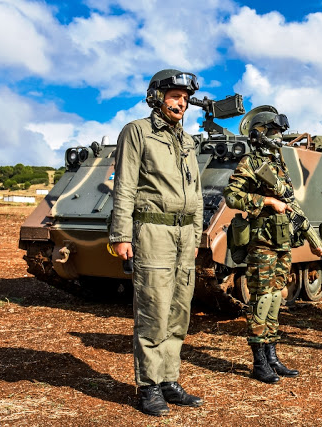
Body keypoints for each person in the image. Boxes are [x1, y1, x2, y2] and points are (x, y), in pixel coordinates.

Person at [109, 69, 203, 416]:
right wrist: (121, 234)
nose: (181, 103)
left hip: (183, 235)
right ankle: (148, 386)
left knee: (179, 311)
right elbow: (125, 186)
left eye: (185, 97)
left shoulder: (187, 141)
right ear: (156, 97)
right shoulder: (138, 132)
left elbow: (195, 192)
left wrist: (195, 234)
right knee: (154, 310)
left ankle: (169, 380)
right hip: (153, 232)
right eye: (175, 96)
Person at [223, 108, 322, 383]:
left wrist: (311, 239)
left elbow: (291, 204)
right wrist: (267, 202)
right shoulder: (251, 162)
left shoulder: (278, 163)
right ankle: (259, 361)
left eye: (280, 133)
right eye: (274, 132)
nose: (279, 138)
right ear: (261, 133)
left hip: (281, 243)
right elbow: (232, 196)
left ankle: (272, 355)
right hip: (262, 244)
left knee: (276, 299)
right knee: (261, 300)